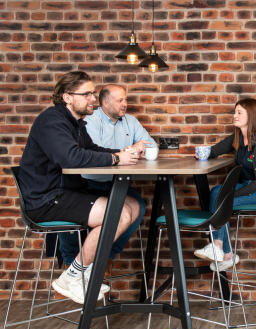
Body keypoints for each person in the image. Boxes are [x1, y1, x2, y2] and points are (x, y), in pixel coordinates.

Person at [18, 71, 140, 304]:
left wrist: (120, 154)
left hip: (66, 193)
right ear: (67, 97)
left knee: (133, 204)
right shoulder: (52, 121)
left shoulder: (75, 123)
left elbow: (91, 150)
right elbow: (71, 158)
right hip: (46, 200)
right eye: (87, 94)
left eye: (92, 93)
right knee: (119, 212)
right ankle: (73, 276)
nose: (92, 99)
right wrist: (116, 160)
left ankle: (86, 271)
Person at [57, 84, 157, 273]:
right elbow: (95, 157)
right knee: (77, 212)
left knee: (139, 207)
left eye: (126, 99)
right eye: (120, 100)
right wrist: (130, 150)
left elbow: (151, 145)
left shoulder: (131, 122)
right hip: (89, 182)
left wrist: (142, 149)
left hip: (115, 182)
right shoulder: (90, 122)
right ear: (105, 103)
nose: (125, 104)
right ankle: (72, 263)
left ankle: (105, 257)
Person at [193, 98, 256, 272]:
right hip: (248, 186)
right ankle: (226, 255)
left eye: (239, 112)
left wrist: (235, 194)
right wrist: (201, 155)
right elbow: (215, 150)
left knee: (224, 199)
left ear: (252, 115)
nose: (235, 116)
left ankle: (218, 246)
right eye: (235, 112)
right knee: (216, 192)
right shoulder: (238, 137)